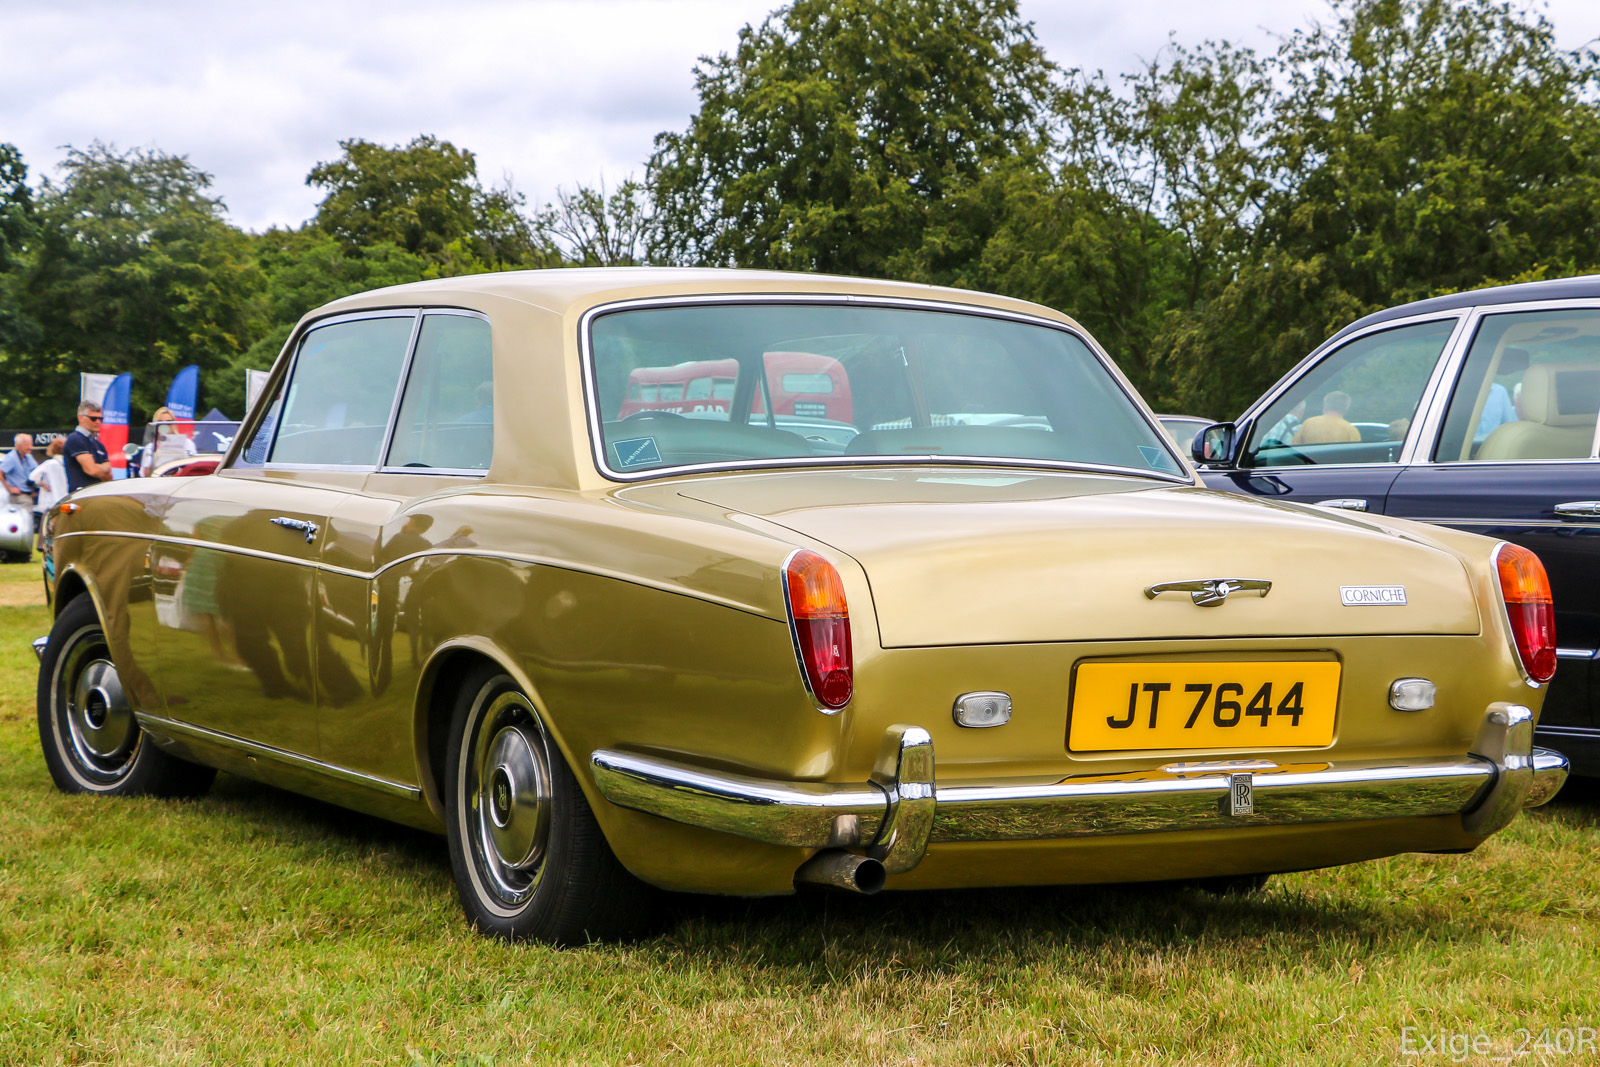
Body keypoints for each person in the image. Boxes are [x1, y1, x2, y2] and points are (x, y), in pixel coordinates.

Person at [63, 401, 113, 494]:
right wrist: (103, 468)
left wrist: (100, 469)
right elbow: (92, 470)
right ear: (80, 418)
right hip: (81, 495)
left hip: (97, 493)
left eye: (100, 419)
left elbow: (109, 476)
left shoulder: (99, 444)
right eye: (93, 418)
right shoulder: (75, 439)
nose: (98, 422)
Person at [28, 438, 68, 549]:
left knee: (46, 524)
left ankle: (42, 545)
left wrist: (42, 484)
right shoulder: (69, 464)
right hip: (65, 497)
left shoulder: (49, 464)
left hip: (51, 499)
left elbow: (32, 476)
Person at [1292, 390, 1362, 445]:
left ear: (1325, 405)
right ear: (1346, 409)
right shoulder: (1351, 431)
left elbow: (1294, 448)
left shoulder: (1308, 423)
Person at [1, 433, 38, 513]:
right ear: (18, 445)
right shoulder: (12, 457)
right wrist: (9, 488)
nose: (30, 447)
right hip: (19, 496)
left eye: (31, 444)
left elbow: (36, 471)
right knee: (26, 521)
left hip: (30, 495)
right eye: (27, 445)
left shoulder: (28, 457)